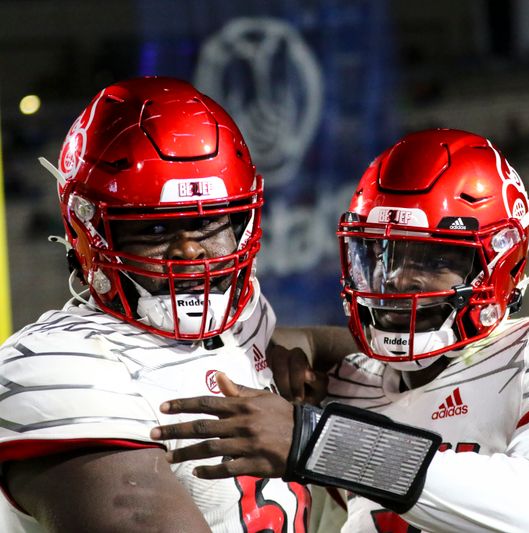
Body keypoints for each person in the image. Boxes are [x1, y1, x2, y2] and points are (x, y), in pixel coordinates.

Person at [152, 128, 529, 532]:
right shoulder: (349, 385)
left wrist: (318, 443)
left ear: (499, 262)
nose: (401, 278)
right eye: (384, 255)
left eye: (435, 258)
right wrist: (297, 346)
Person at [0, 77, 353, 533]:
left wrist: (303, 360)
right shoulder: (55, 370)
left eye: (207, 223)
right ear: (90, 235)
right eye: (153, 230)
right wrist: (316, 443)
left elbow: (294, 344)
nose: (189, 251)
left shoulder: (245, 324)